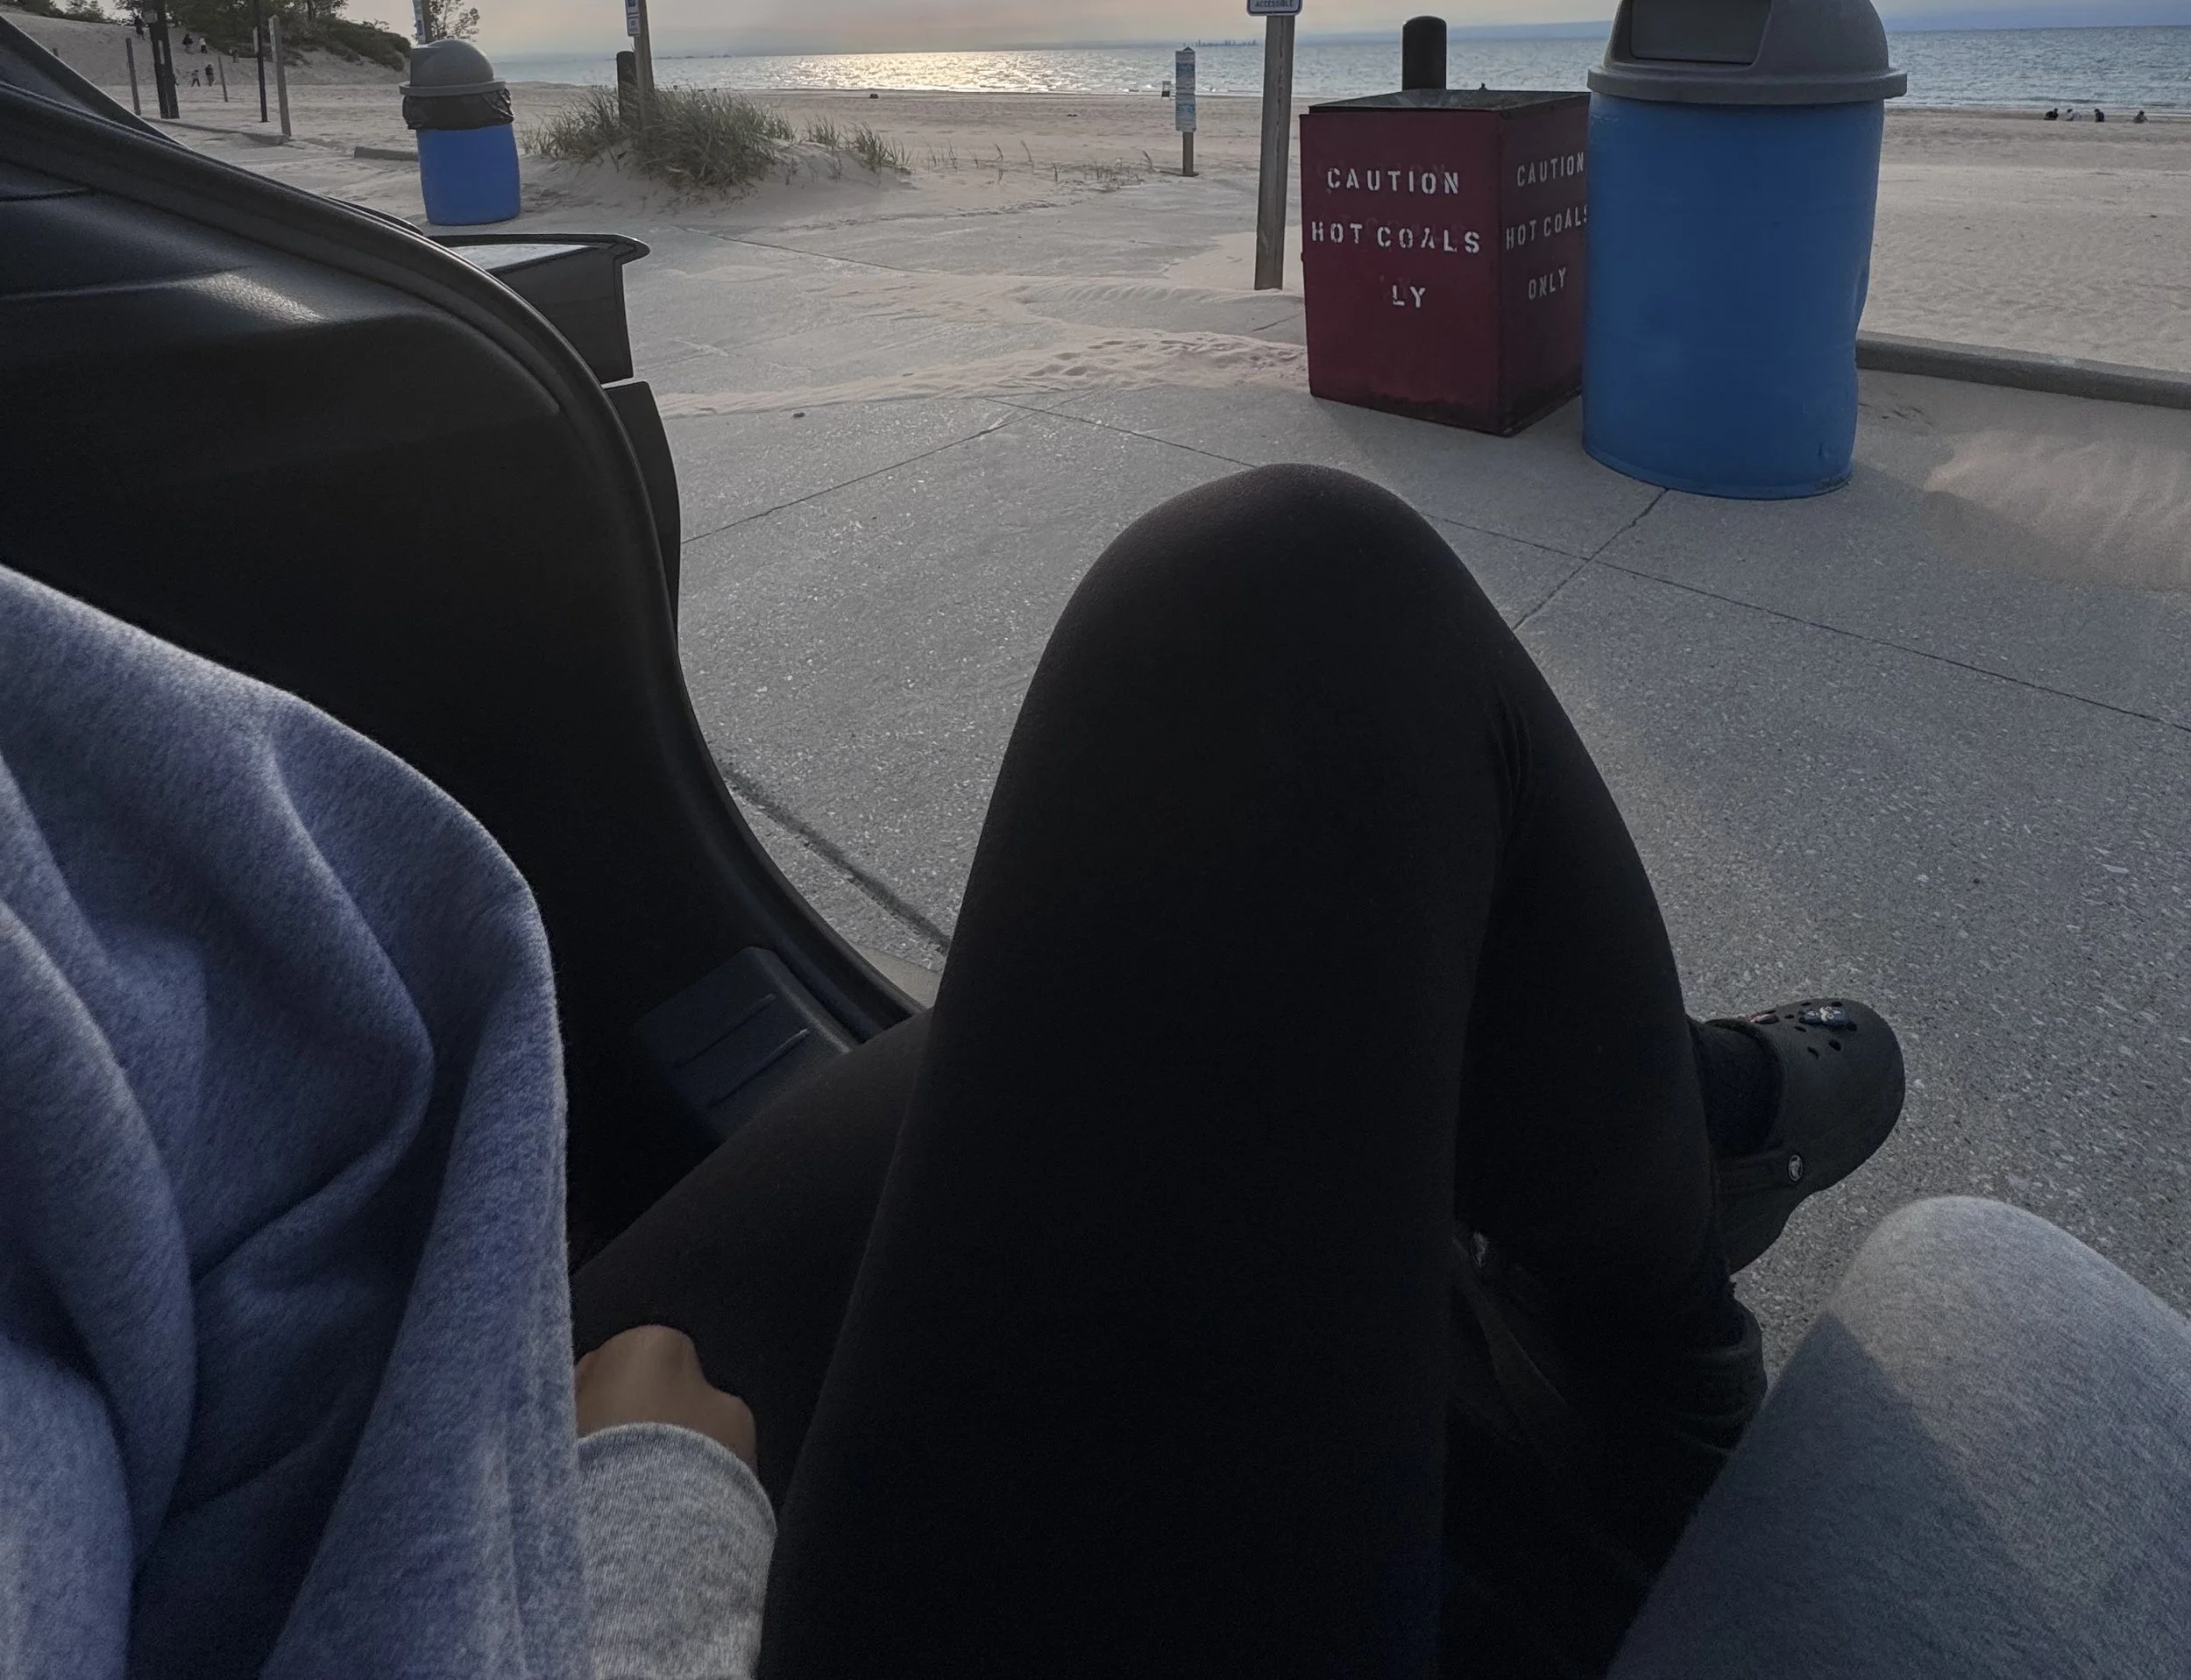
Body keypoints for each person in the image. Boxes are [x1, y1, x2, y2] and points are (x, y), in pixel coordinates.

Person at [4, 468, 2188, 1680]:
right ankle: (1670, 1250)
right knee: (1282, 625)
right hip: (443, 1581)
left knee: (1222, 806)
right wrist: (642, 1534)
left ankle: (1653, 1171)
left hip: (324, 1420)